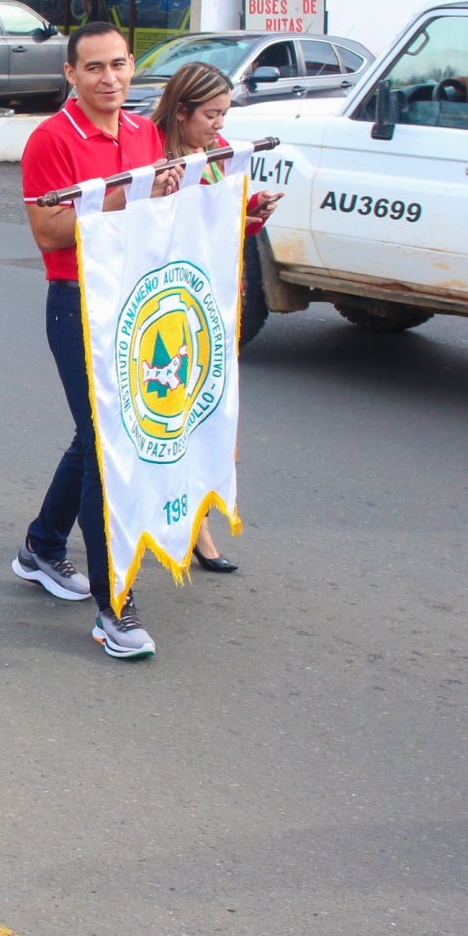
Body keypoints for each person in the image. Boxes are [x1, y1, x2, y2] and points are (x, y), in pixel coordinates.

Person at [16, 20, 181, 660]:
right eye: (94, 68)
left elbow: (160, 212)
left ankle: (41, 545)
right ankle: (114, 605)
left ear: (132, 66)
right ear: (71, 74)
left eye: (118, 65)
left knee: (97, 437)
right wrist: (129, 195)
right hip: (78, 303)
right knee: (106, 446)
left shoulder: (144, 133)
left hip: (136, 300)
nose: (109, 79)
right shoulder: (50, 139)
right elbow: (49, 231)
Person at [147, 60, 284, 574]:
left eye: (225, 115)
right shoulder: (153, 158)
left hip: (214, 302)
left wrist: (254, 210)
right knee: (168, 418)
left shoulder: (216, 155)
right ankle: (181, 523)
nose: (219, 125)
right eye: (211, 115)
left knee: (207, 418)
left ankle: (196, 519)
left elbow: (222, 222)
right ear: (181, 111)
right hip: (168, 306)